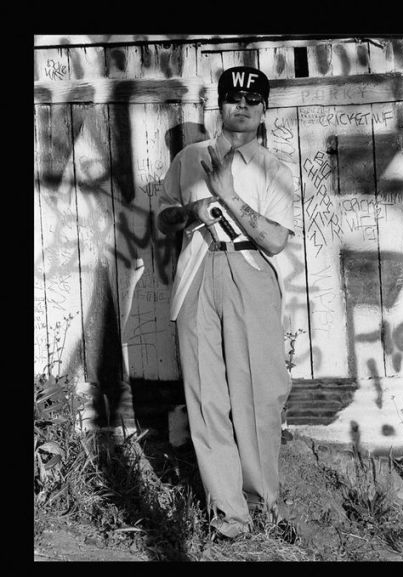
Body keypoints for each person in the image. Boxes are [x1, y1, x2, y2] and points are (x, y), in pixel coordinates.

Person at [157, 66, 295, 539]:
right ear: (219, 104)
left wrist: (229, 198)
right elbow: (164, 219)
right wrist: (189, 212)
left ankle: (264, 502)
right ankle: (229, 515)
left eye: (251, 100)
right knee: (206, 397)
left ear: (263, 108)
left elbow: (275, 241)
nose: (241, 106)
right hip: (198, 272)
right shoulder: (189, 157)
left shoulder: (273, 168)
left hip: (250, 273)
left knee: (259, 392)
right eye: (232, 98)